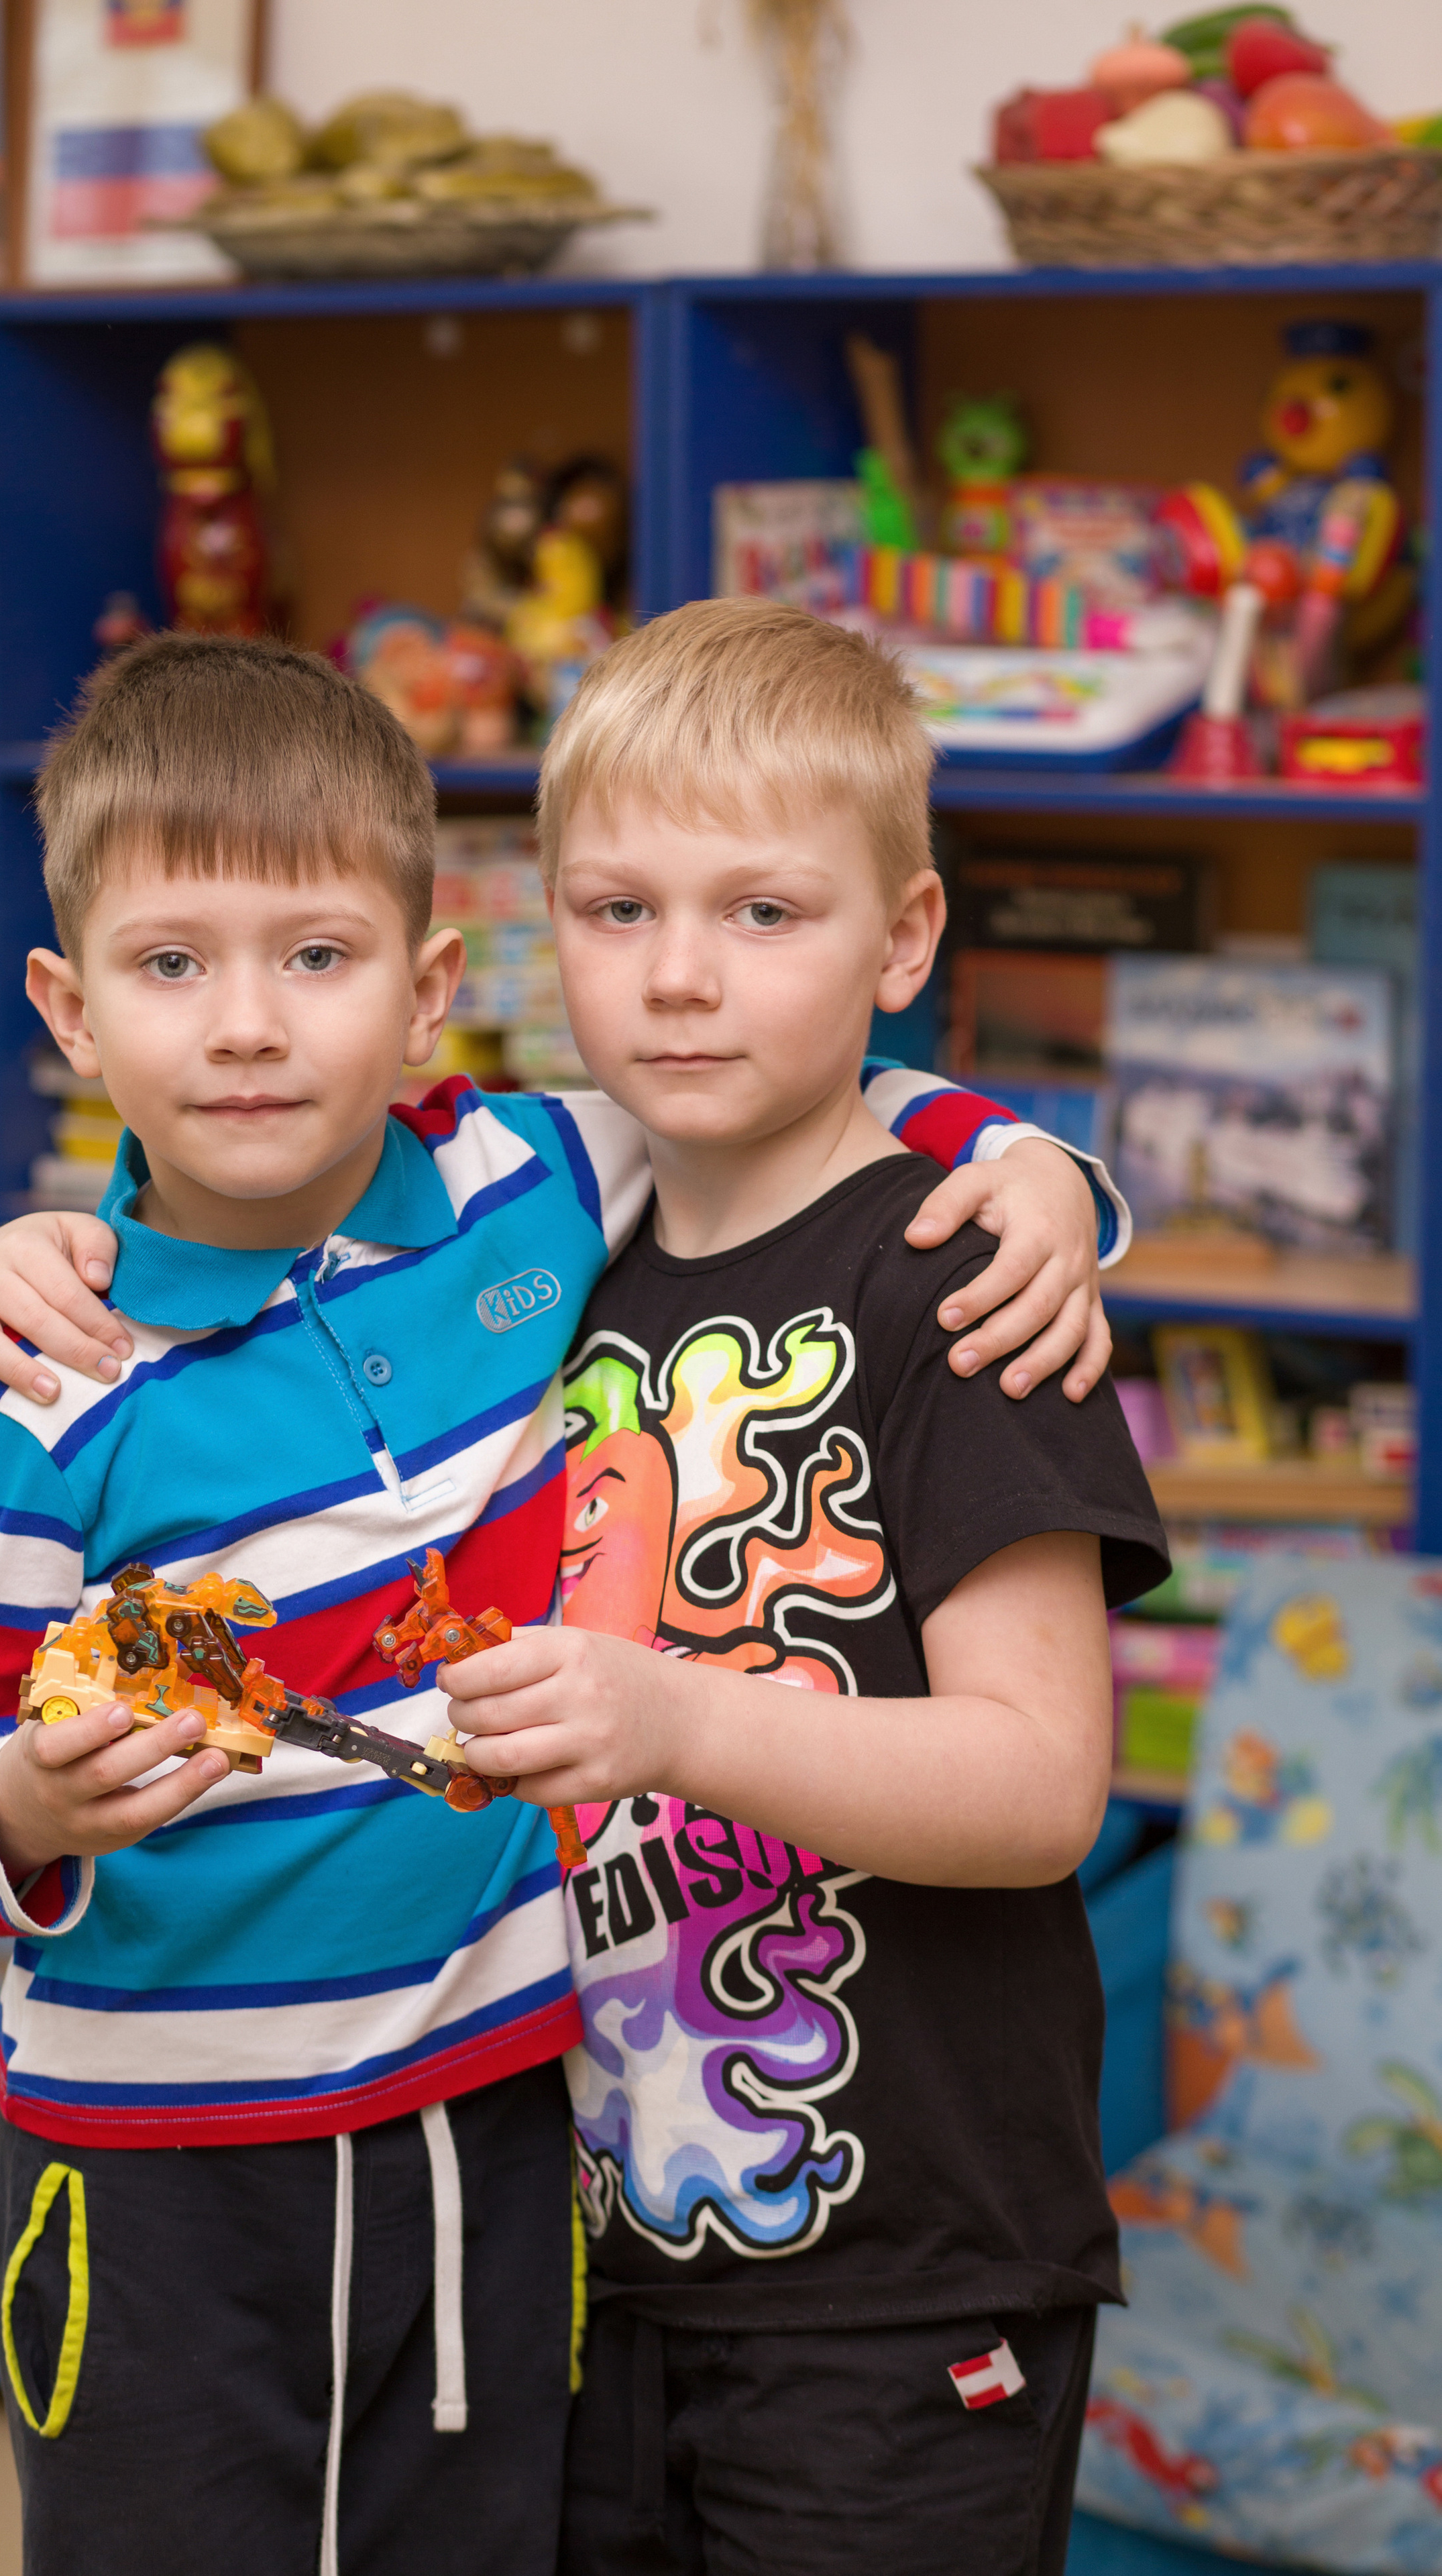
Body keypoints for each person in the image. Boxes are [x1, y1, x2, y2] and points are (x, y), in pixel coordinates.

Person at [0, 629, 1124, 2576]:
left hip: (690, 2198)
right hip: (369, 2189)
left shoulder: (625, 1204)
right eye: (621, 912)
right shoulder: (116, 1341)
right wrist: (28, 1797)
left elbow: (854, 1108)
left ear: (427, 990)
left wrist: (1041, 1167)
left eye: (315, 958)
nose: (244, 1026)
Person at [422, 598, 1171, 2575]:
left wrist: (674, 1715)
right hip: (576, 2254)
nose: (679, 976)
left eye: (763, 912)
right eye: (614, 909)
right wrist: (42, 1262)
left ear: (902, 939)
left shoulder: (962, 1283)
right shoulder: (531, 1266)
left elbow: (1034, 1788)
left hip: (902, 2282)